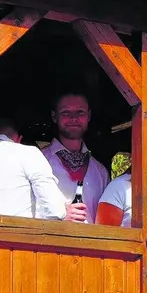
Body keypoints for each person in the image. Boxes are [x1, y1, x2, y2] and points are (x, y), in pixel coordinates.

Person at [0, 116, 72, 220]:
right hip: (15, 233)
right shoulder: (29, 153)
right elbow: (54, 210)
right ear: (19, 139)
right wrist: (64, 212)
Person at [41, 94, 110, 222]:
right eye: (66, 112)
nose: (74, 118)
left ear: (88, 116)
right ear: (54, 116)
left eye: (80, 112)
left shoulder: (101, 172)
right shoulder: (38, 161)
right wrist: (59, 216)